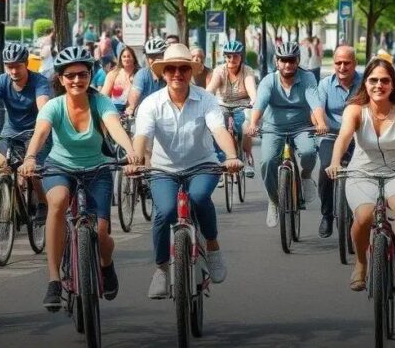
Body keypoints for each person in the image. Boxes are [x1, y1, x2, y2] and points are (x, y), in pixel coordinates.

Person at [20, 46, 139, 309]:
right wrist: (30, 158)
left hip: (97, 169)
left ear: (90, 76)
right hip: (60, 167)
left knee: (102, 232)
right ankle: (54, 280)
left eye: (82, 74)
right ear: (61, 79)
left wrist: (130, 152)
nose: (77, 80)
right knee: (58, 201)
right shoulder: (53, 106)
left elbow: (114, 127)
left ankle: (106, 265)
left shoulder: (100, 102)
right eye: (70, 75)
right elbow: (40, 133)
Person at [129, 43, 243, 299]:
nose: (177, 73)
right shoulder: (151, 103)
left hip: (202, 165)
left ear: (191, 71)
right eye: (171, 69)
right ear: (163, 72)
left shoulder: (206, 99)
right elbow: (142, 136)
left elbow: (219, 130)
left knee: (199, 198)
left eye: (183, 68)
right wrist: (136, 159)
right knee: (165, 211)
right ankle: (161, 269)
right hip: (163, 169)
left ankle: (212, 247)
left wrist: (232, 156)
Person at [326, 58, 395, 298]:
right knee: (364, 217)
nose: (378, 85)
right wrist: (335, 162)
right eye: (373, 80)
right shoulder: (355, 110)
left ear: (392, 84)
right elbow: (343, 137)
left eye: (385, 80)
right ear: (365, 83)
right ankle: (361, 263)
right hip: (361, 172)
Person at [0, 43, 52, 221]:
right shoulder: (0, 81)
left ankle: (43, 203)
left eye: (17, 66)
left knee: (33, 170)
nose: (13, 71)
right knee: (2, 165)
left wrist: (43, 126)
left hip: (35, 130)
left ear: (26, 64)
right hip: (11, 130)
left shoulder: (39, 81)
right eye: (9, 66)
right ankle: (11, 205)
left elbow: (43, 105)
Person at [246, 41, 321, 227]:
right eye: (283, 60)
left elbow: (315, 103)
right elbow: (260, 104)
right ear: (277, 62)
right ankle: (274, 200)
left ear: (298, 61)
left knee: (309, 152)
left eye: (291, 60)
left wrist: (322, 123)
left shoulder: (308, 78)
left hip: (301, 127)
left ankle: (306, 176)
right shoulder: (268, 81)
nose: (288, 64)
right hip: (274, 128)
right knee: (267, 161)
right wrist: (253, 124)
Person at [313, 46, 362, 238]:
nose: (342, 67)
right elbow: (316, 109)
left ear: (354, 64)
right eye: (338, 63)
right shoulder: (325, 84)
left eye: (346, 63)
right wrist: (320, 123)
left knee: (363, 173)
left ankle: (363, 216)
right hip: (331, 136)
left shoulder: (365, 83)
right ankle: (327, 215)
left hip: (358, 137)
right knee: (326, 168)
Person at [206, 40, 258, 177]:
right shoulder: (219, 70)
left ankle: (247, 157)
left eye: (235, 56)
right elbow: (211, 89)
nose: (232, 59)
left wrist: (254, 99)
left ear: (241, 57)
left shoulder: (247, 71)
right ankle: (219, 160)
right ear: (225, 57)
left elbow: (251, 89)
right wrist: (205, 99)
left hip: (243, 104)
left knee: (246, 127)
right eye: (228, 56)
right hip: (222, 104)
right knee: (216, 128)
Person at [125, 37, 167, 115]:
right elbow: (133, 99)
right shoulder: (142, 74)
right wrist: (132, 108)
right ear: (147, 58)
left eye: (158, 56)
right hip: (145, 114)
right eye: (151, 56)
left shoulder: (172, 73)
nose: (155, 59)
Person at [101, 46, 140, 112]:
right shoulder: (113, 74)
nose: (126, 59)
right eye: (124, 57)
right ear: (121, 59)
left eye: (129, 56)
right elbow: (104, 96)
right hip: (115, 110)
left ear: (134, 58)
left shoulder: (140, 74)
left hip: (135, 110)